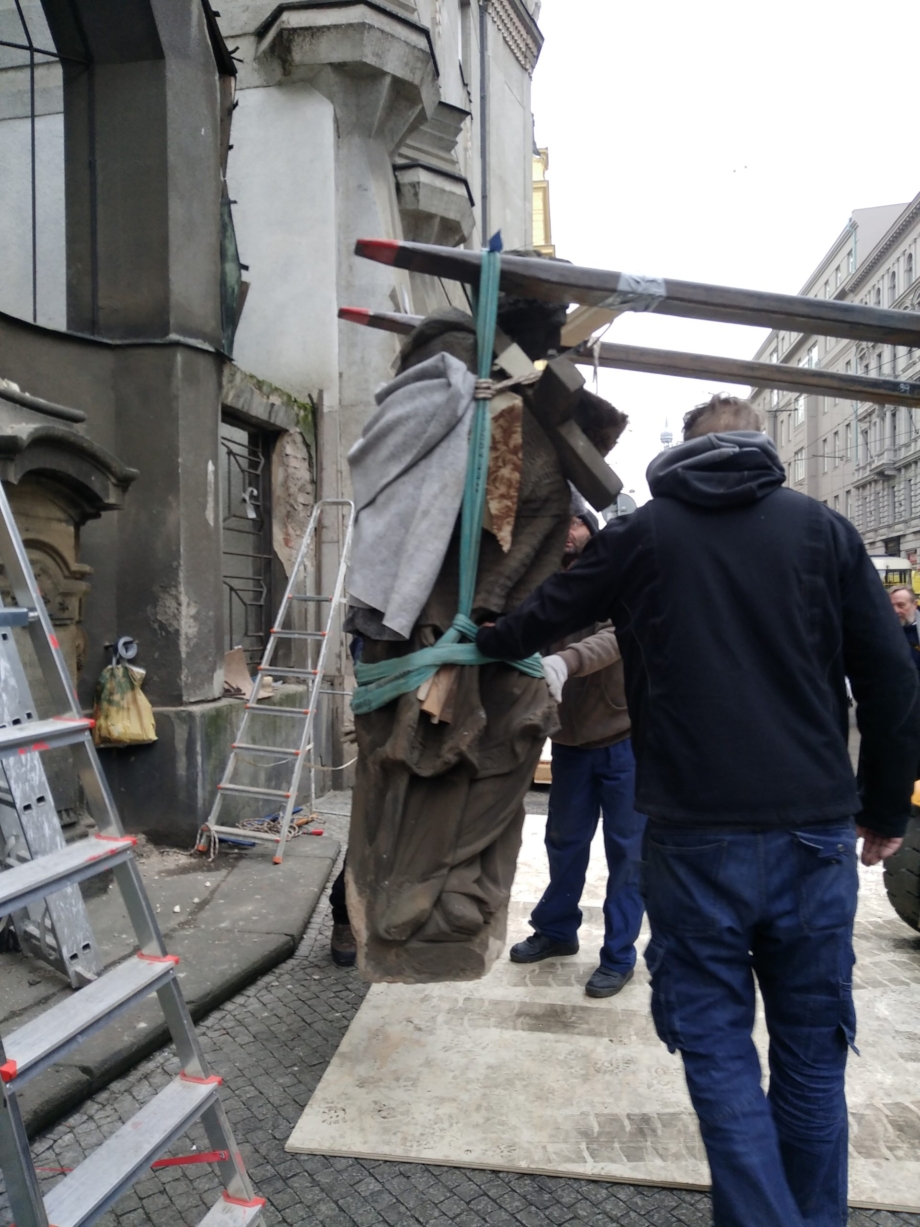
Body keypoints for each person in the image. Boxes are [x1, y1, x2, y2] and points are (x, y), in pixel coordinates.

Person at [477, 393, 920, 1227]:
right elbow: (893, 678)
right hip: (813, 833)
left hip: (692, 837)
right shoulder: (823, 532)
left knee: (717, 1050)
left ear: (685, 450)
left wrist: (485, 634)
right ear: (765, 444)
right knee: (812, 1060)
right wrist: (887, 808)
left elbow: (549, 613)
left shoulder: (645, 535)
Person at [510, 496, 646, 999]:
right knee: (564, 843)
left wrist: (565, 661)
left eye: (574, 523)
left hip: (624, 740)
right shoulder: (547, 582)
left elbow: (616, 637)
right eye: (556, 524)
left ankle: (619, 955)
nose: (566, 533)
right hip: (569, 741)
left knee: (628, 854)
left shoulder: (616, 574)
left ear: (591, 528)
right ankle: (557, 930)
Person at [889, 585, 920, 677]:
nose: (895, 611)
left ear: (914, 605)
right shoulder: (881, 633)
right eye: (891, 606)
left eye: (901, 605)